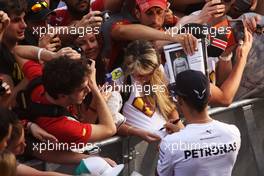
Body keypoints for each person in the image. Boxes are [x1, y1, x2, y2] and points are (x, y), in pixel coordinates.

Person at [15, 53, 116, 145]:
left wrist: (53, 56)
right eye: (82, 88)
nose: (89, 89)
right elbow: (109, 129)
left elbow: (18, 52)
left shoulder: (41, 79)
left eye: (89, 84)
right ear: (62, 95)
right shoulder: (61, 126)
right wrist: (96, 91)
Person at [157, 70, 241, 176]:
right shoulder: (233, 133)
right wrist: (182, 133)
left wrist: (164, 152)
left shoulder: (170, 144)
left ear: (179, 100)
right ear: (209, 96)